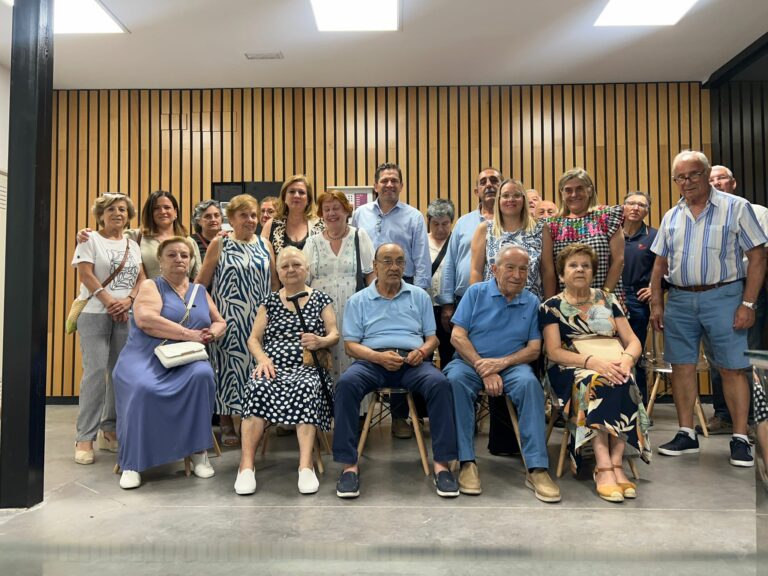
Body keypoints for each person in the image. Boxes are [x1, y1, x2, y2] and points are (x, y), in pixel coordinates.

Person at [650, 150, 767, 467]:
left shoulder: (736, 207)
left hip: (725, 296)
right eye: (680, 177)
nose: (686, 182)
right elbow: (660, 261)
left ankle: (740, 438)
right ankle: (686, 433)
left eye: (693, 175)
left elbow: (758, 256)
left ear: (705, 174)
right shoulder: (671, 215)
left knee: (731, 368)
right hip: (681, 300)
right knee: (682, 367)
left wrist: (747, 303)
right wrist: (658, 303)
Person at [332, 243, 459, 499]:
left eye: (399, 261)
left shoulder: (419, 296)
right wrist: (378, 357)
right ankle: (349, 466)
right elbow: (350, 346)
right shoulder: (359, 300)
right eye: (387, 261)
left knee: (440, 384)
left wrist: (422, 352)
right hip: (371, 362)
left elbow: (432, 338)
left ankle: (442, 465)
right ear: (375, 266)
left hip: (412, 362)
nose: (394, 267)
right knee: (346, 384)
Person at [445, 245, 560, 502]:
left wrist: (499, 365)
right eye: (510, 268)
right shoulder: (475, 293)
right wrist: (482, 366)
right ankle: (466, 462)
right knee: (454, 382)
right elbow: (457, 336)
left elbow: (533, 349)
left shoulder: (531, 301)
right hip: (469, 363)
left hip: (511, 366)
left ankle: (537, 468)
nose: (517, 275)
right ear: (494, 269)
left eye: (523, 269)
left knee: (530, 385)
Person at [112, 237, 227, 489]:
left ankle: (199, 451)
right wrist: (190, 334)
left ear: (191, 260)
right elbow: (145, 320)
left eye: (184, 255)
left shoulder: (200, 291)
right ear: (160, 262)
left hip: (187, 357)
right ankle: (133, 462)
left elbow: (219, 320)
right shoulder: (151, 286)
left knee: (202, 376)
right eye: (172, 255)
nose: (179, 259)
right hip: (146, 355)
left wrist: (214, 332)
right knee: (143, 388)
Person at [541, 243, 651, 503]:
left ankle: (615, 464)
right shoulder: (550, 306)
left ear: (593, 272)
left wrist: (626, 360)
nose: (580, 269)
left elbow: (633, 341)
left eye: (585, 266)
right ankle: (602, 465)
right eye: (573, 265)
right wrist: (592, 362)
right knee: (596, 381)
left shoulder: (608, 299)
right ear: (561, 274)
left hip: (613, 362)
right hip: (570, 368)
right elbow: (553, 351)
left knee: (625, 377)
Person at [234, 247, 339, 495]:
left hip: (307, 367)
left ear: (307, 269)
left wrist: (321, 341)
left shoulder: (321, 299)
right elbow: (253, 339)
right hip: (274, 367)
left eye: (296, 264)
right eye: (285, 266)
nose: (290, 270)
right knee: (257, 386)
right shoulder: (269, 302)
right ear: (278, 272)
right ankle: (246, 466)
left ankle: (305, 466)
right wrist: (262, 360)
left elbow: (334, 334)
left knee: (305, 387)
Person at [351, 162, 432, 438]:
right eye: (384, 180)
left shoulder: (414, 216)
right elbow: (354, 253)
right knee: (370, 346)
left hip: (404, 286)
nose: (388, 184)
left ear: (400, 185)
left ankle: (400, 417)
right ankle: (363, 415)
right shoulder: (359, 214)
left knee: (401, 347)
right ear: (375, 185)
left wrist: (417, 296)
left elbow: (422, 260)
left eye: (394, 180)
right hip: (368, 289)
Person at [196, 194, 278, 447]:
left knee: (255, 368)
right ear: (230, 219)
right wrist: (211, 317)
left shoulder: (265, 245)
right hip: (228, 319)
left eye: (253, 215)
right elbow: (201, 284)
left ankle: (252, 419)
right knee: (227, 369)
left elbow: (275, 284)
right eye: (244, 215)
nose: (251, 220)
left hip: (259, 320)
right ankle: (226, 421)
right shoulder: (219, 244)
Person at [71, 193, 145, 465]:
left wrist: (128, 300)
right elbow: (85, 274)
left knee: (119, 374)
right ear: (100, 215)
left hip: (124, 315)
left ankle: (109, 430)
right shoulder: (89, 239)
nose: (117, 213)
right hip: (94, 313)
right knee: (94, 373)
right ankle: (84, 438)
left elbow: (140, 278)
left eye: (123, 210)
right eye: (111, 209)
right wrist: (110, 300)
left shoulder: (132, 244)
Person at [697, 165, 768, 435]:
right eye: (712, 179)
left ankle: (754, 419)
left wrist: (749, 299)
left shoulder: (757, 212)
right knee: (717, 356)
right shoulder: (703, 214)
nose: (717, 183)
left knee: (749, 354)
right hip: (715, 292)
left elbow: (762, 256)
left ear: (733, 183)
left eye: (722, 178)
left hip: (748, 289)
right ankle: (724, 414)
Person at [303, 190, 375, 382]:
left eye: (336, 208)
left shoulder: (360, 236)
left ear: (346, 210)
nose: (331, 213)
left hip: (354, 309)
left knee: (354, 356)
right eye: (326, 209)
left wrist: (372, 306)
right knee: (325, 360)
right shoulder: (312, 242)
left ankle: (357, 410)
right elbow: (304, 281)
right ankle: (327, 407)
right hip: (321, 313)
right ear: (321, 214)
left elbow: (371, 274)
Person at [78, 190, 203, 279]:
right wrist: (85, 234)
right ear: (150, 213)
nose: (162, 211)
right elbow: (108, 238)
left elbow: (197, 277)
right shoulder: (134, 237)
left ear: (175, 212)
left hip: (181, 303)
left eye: (167, 207)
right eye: (156, 208)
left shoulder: (189, 242)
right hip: (146, 303)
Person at [546, 168, 625, 303]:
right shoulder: (552, 224)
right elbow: (549, 269)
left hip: (606, 300)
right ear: (562, 193)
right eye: (568, 190)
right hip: (567, 303)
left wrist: (603, 295)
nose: (574, 194)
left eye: (579, 188)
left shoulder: (607, 216)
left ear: (589, 190)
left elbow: (619, 260)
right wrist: (552, 303)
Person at [469, 178, 556, 300]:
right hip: (492, 305)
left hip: (531, 306)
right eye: (505, 196)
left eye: (516, 195)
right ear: (498, 200)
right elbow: (476, 271)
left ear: (523, 199)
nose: (511, 199)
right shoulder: (485, 229)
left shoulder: (541, 229)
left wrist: (549, 307)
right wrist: (477, 303)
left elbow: (548, 272)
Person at [622, 191, 657, 401]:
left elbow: (664, 267)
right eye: (631, 203)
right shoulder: (611, 232)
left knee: (636, 352)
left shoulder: (654, 236)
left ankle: (639, 404)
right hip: (610, 296)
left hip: (638, 298)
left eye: (641, 205)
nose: (635, 208)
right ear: (623, 207)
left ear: (647, 211)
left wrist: (655, 287)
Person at [261, 175, 324, 254]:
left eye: (301, 192)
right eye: (292, 191)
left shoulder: (320, 225)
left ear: (308, 199)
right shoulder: (270, 225)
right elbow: (262, 259)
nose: (296, 195)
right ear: (284, 198)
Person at [426, 198, 455, 368]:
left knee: (449, 353)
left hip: (450, 307)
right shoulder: (422, 241)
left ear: (451, 222)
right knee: (425, 354)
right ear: (428, 221)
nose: (440, 229)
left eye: (445, 223)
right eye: (435, 224)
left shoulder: (456, 242)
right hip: (426, 306)